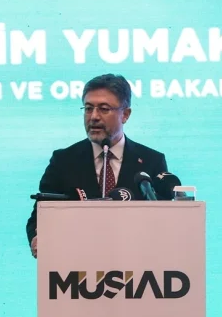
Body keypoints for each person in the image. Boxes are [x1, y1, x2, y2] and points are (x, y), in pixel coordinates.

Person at [25, 73, 169, 258]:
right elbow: (40, 215)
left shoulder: (151, 161)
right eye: (88, 108)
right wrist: (37, 237)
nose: (93, 117)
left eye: (103, 109)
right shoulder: (64, 160)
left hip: (137, 263)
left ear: (125, 114)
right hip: (77, 264)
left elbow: (163, 221)